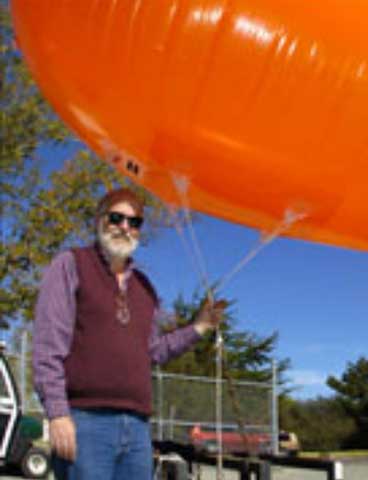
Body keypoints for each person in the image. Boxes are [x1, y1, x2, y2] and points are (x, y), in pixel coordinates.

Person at [33, 188, 226, 479]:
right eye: (116, 218)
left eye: (134, 222)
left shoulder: (145, 289)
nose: (125, 227)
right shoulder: (71, 264)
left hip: (136, 428)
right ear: (99, 220)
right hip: (86, 422)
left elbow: (153, 351)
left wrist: (198, 327)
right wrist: (58, 413)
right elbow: (48, 346)